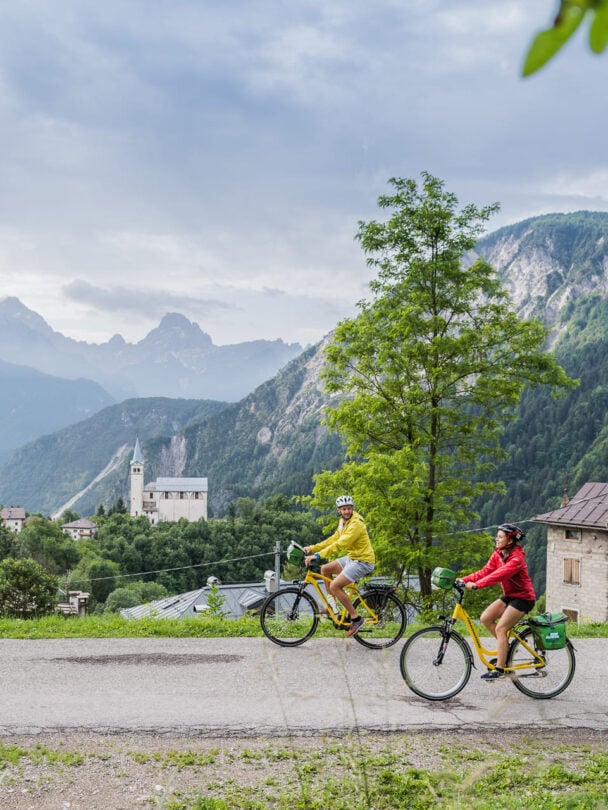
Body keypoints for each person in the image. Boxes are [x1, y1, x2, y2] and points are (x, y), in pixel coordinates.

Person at [457, 523, 536, 681]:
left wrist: (477, 585)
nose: (496, 539)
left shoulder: (517, 558)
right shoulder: (498, 554)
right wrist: (464, 580)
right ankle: (506, 648)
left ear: (509, 540)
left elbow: (499, 575)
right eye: (497, 536)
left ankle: (500, 669)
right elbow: (486, 571)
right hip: (510, 596)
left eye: (500, 537)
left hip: (524, 598)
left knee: (501, 628)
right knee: (485, 618)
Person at [303, 495, 375, 637]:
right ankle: (333, 608)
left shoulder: (356, 524)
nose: (347, 511)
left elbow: (340, 544)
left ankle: (356, 619)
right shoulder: (343, 522)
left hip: (363, 561)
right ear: (339, 510)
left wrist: (318, 555)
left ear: (352, 509)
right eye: (344, 509)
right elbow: (334, 539)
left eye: (349, 508)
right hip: (352, 558)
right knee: (325, 569)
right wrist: (313, 548)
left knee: (335, 586)